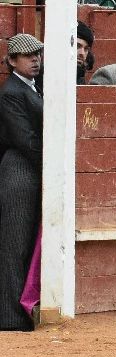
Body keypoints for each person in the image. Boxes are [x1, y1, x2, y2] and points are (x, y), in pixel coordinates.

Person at [0, 34, 44, 331]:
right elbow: (26, 140)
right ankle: (10, 317)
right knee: (15, 245)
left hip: (27, 168)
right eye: (28, 56)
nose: (35, 59)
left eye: (37, 54)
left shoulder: (30, 87)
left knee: (23, 244)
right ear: (12, 61)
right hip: (19, 170)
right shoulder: (11, 91)